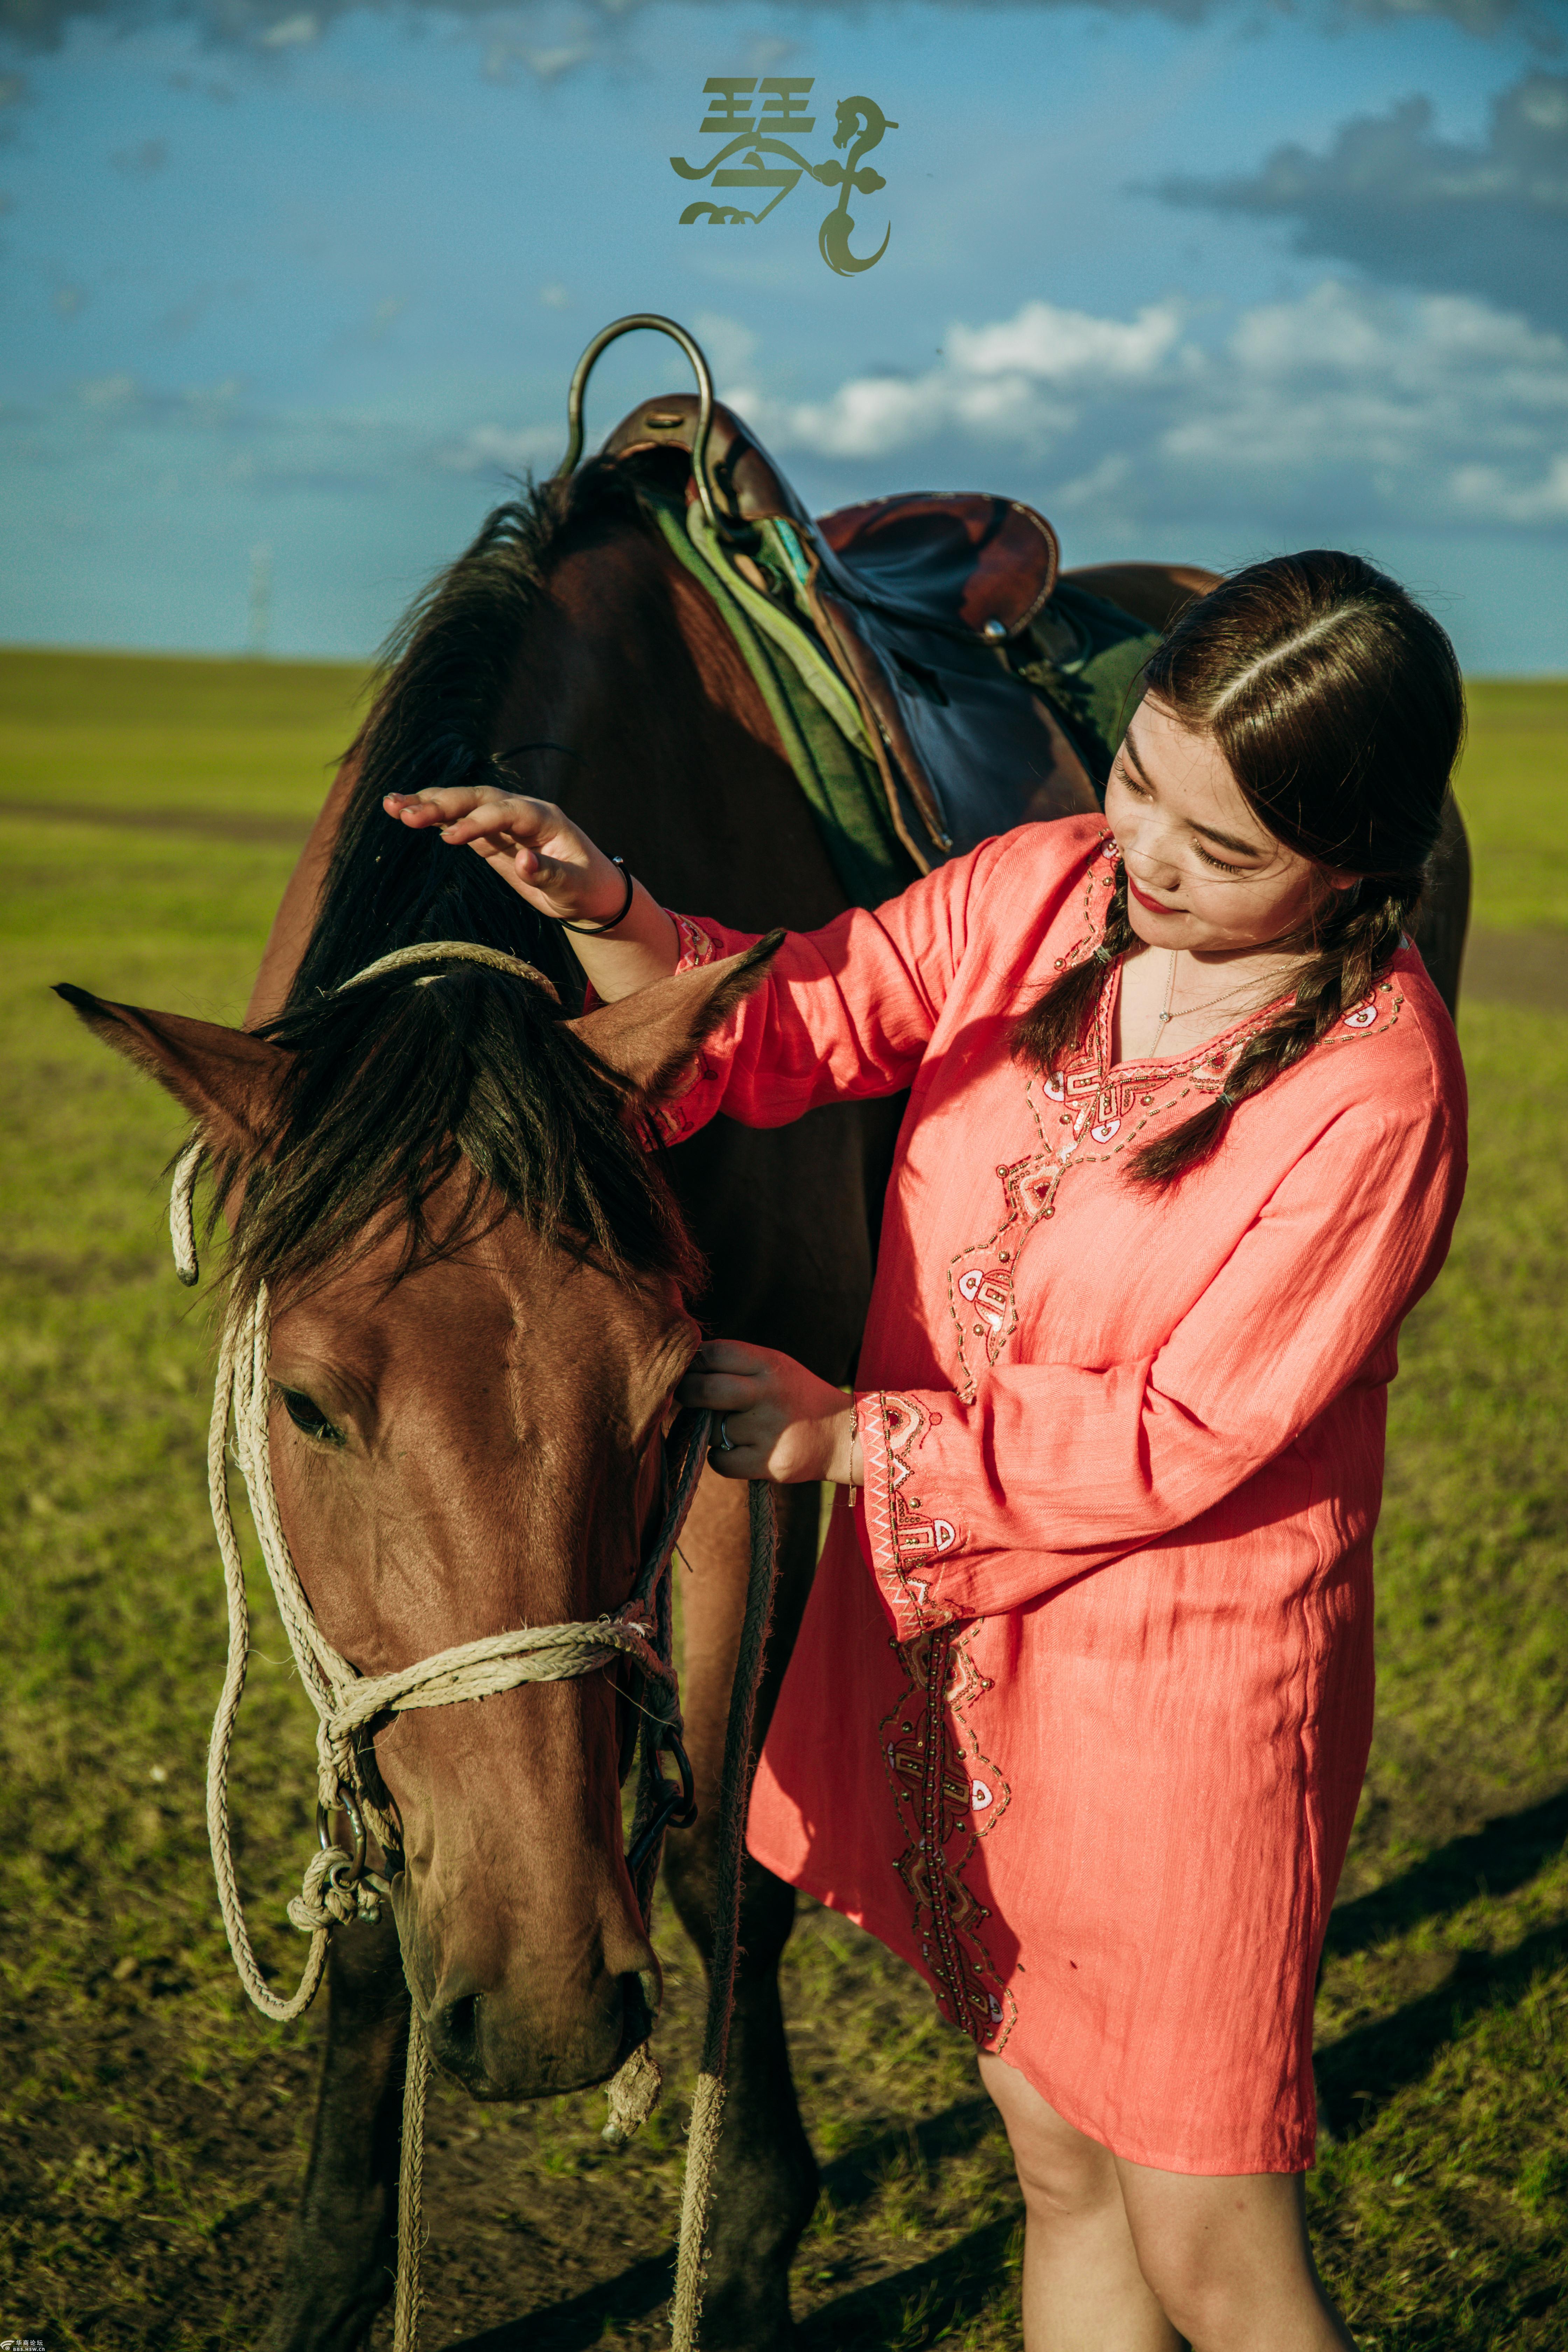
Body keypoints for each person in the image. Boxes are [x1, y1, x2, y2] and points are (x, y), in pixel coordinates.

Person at [385, 550, 1468, 2352]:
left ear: (1354, 862)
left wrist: (843, 1437)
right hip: (971, 1669)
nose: (1149, 857)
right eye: (1139, 781)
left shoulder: (1374, 1092)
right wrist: (602, 906)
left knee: (1217, 2253)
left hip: (1180, 1705)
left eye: (1224, 846)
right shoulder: (1046, 895)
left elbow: (1183, 1436)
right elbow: (808, 1013)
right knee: (1057, 2172)